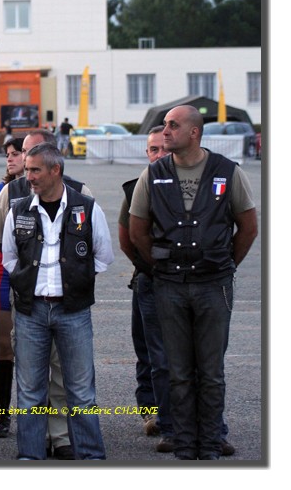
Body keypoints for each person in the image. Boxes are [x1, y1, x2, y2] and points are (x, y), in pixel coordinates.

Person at [129, 105, 258, 460]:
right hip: (169, 285)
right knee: (178, 371)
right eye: (165, 125)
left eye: (173, 125)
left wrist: (225, 265)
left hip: (213, 285)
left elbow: (248, 227)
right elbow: (137, 230)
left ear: (194, 132)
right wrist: (161, 267)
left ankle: (212, 441)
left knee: (212, 371)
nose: (165, 131)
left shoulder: (227, 172)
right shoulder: (153, 174)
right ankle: (185, 444)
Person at [2, 142, 113, 460]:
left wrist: (74, 282)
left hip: (73, 310)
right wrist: (31, 284)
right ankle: (30, 456)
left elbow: (103, 256)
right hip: (30, 310)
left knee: (81, 391)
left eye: (35, 170)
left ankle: (91, 456)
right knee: (29, 393)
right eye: (27, 170)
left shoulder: (87, 208)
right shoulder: (18, 210)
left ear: (56, 170)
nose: (29, 177)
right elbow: (10, 257)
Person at [0, 128, 92, 459]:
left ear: (53, 160)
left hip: (66, 299)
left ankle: (60, 436)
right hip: (29, 298)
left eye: (33, 154)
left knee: (63, 372)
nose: (26, 161)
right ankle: (33, 443)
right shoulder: (11, 193)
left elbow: (96, 249)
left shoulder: (80, 192)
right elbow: (2, 242)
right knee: (31, 374)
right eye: (24, 153)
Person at [118, 126, 173, 450]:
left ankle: (180, 416)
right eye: (153, 150)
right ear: (147, 153)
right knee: (148, 352)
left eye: (163, 149)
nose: (159, 155)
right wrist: (148, 267)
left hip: (183, 281)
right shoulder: (135, 187)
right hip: (148, 279)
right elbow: (126, 239)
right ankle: (150, 410)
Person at [0, 136, 24, 438]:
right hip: (3, 272)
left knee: (41, 349)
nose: (10, 158)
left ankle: (40, 413)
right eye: (7, 154)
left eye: (16, 153)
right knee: (3, 347)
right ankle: (3, 413)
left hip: (35, 274)